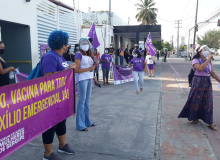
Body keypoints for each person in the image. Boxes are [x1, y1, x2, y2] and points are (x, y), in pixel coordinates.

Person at [40, 30, 75, 160]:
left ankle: (62, 145)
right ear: (61, 44)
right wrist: (68, 70)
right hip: (51, 99)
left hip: (61, 97)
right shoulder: (50, 56)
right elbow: (48, 78)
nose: (67, 46)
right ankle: (48, 154)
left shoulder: (60, 56)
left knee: (61, 122)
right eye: (66, 43)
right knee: (50, 125)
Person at [178, 45, 220, 130]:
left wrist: (219, 80)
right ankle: (195, 118)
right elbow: (200, 68)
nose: (206, 51)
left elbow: (212, 73)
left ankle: (210, 122)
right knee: (195, 100)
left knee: (208, 102)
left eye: (207, 50)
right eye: (204, 50)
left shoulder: (209, 62)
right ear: (200, 52)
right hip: (198, 82)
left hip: (207, 83)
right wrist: (208, 60)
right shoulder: (195, 60)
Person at [74, 38, 96, 131]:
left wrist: (93, 76)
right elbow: (75, 69)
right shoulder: (78, 54)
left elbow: (91, 68)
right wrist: (89, 69)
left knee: (87, 101)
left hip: (89, 78)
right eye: (82, 43)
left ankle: (87, 121)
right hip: (82, 79)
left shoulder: (90, 54)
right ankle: (80, 124)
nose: (84, 44)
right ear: (79, 44)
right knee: (82, 101)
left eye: (86, 43)